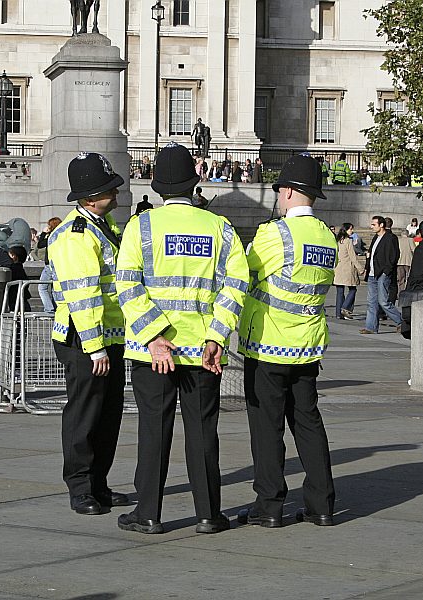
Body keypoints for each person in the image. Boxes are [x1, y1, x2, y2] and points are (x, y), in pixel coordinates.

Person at [116, 142, 249, 535]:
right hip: (204, 349)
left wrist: (154, 335)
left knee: (153, 430)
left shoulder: (140, 227)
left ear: (157, 187)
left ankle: (149, 513)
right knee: (203, 431)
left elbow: (127, 284)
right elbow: (236, 284)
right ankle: (209, 513)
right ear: (195, 183)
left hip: (154, 350)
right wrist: (217, 335)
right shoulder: (219, 227)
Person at [237, 153, 336, 529]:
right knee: (308, 422)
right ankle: (322, 504)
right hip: (308, 345)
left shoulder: (273, 234)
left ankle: (270, 503)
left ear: (290, 191)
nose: (278, 196)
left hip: (268, 343)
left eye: (280, 190)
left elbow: (245, 275)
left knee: (267, 427)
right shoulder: (326, 236)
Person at [48, 151, 128, 516]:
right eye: (109, 189)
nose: (116, 194)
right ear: (90, 196)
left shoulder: (101, 227)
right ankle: (80, 486)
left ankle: (99, 484)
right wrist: (96, 348)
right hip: (85, 339)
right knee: (84, 414)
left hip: (109, 337)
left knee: (108, 414)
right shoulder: (74, 235)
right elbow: (84, 295)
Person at [359, 215, 403, 334]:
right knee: (371, 302)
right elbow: (371, 255)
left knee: (383, 301)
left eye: (374, 224)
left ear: (381, 225)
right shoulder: (375, 237)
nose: (371, 226)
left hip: (382, 273)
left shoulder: (390, 238)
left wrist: (386, 271)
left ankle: (401, 322)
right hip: (373, 274)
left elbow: (394, 255)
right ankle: (371, 327)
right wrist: (367, 269)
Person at [334, 223, 364, 319]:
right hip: (347, 268)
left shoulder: (337, 240)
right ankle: (345, 307)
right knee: (353, 289)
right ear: (346, 230)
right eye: (350, 229)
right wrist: (360, 269)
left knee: (340, 291)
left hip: (338, 268)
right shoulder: (348, 241)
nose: (352, 231)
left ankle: (338, 314)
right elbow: (353, 257)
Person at [37, 217, 62, 313]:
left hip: (50, 266)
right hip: (58, 265)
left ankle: (49, 309)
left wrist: (44, 233)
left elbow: (40, 244)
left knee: (42, 288)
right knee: (54, 289)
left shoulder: (53, 236)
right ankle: (56, 308)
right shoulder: (61, 236)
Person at [397, 230, 416, 294]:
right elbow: (414, 249)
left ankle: (401, 292)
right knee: (409, 278)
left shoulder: (398, 240)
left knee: (401, 279)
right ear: (407, 234)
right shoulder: (410, 240)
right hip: (409, 261)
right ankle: (408, 292)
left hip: (399, 261)